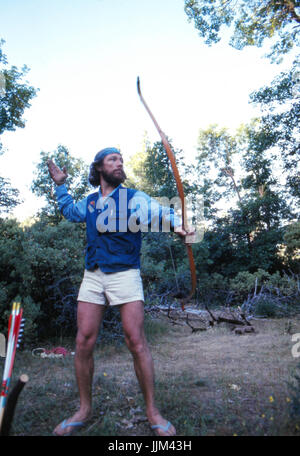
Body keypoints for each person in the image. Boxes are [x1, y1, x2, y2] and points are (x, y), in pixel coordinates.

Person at [47, 147, 194, 437]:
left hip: (125, 274)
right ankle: (84, 409)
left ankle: (153, 413)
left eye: (121, 160)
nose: (119, 163)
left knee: (136, 340)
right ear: (99, 167)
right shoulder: (89, 203)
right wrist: (60, 185)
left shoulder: (134, 198)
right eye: (113, 160)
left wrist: (179, 225)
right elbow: (67, 210)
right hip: (93, 275)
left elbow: (162, 212)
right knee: (84, 340)